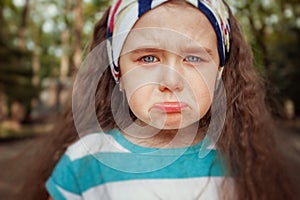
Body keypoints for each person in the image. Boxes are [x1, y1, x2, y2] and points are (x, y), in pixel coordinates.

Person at [21, 0, 297, 199]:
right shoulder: (85, 161)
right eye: (148, 58)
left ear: (219, 74)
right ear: (119, 74)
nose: (171, 82)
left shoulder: (246, 161)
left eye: (193, 58)